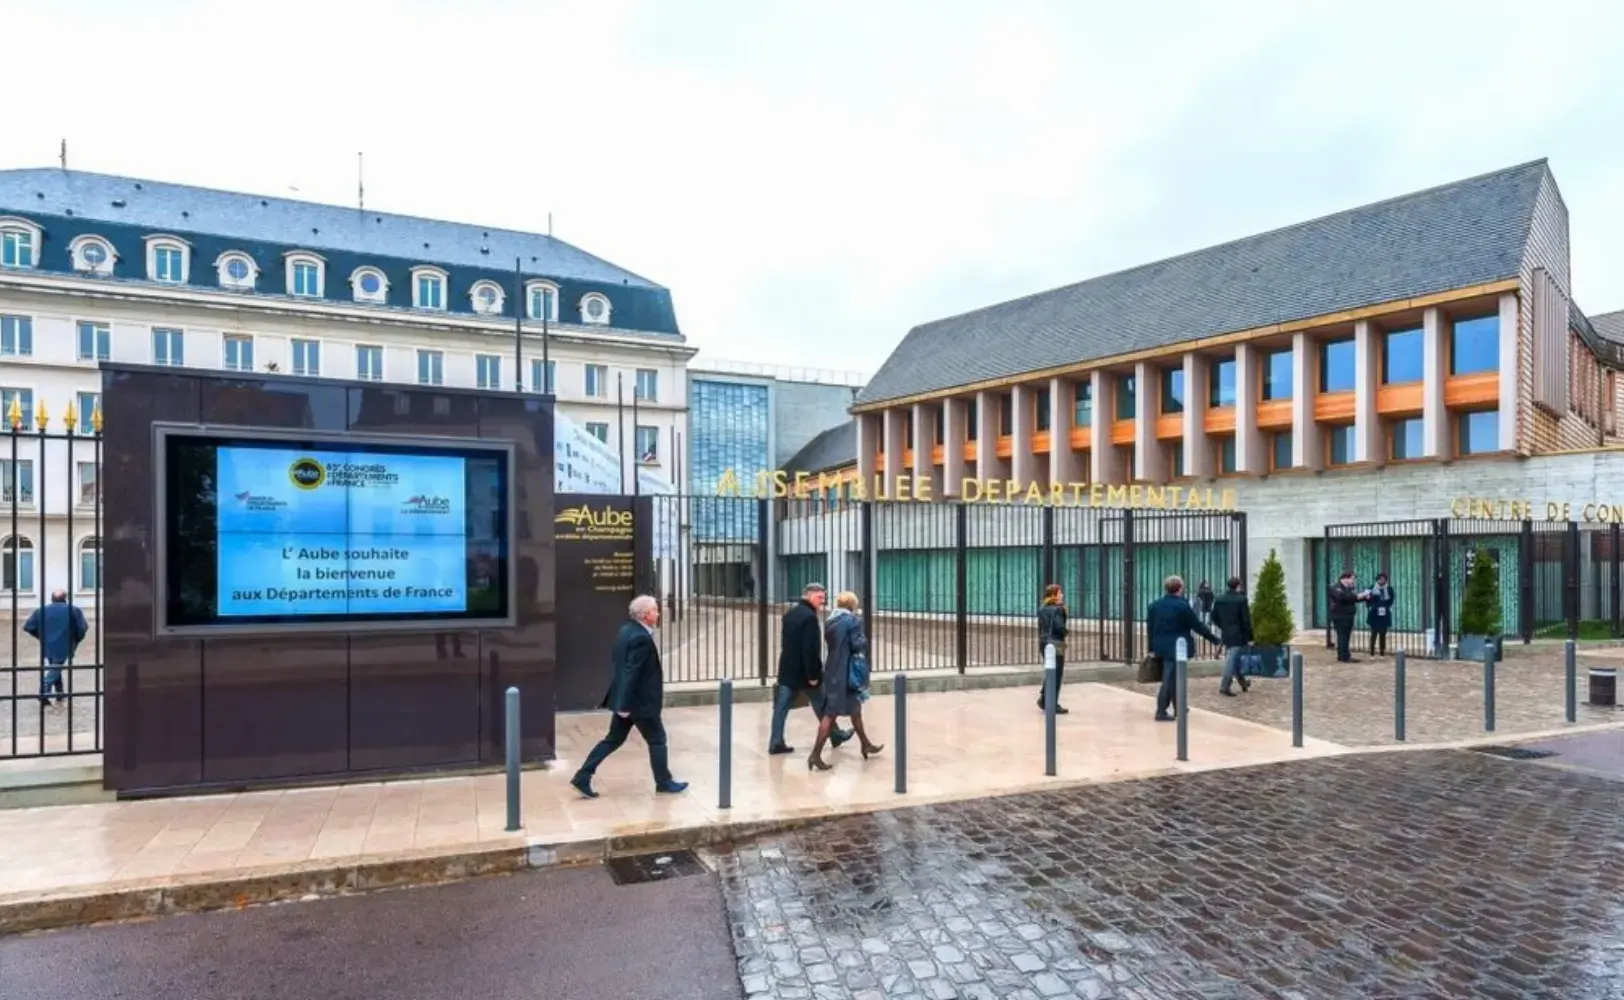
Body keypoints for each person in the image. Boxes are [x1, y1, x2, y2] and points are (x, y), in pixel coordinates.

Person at [570, 595, 687, 798]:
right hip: (638, 703)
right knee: (658, 739)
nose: (658, 614)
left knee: (613, 739)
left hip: (627, 700)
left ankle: (582, 776)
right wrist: (624, 704)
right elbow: (632, 672)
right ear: (645, 615)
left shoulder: (626, 631)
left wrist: (621, 702)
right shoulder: (641, 638)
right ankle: (664, 782)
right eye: (655, 610)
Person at [768, 583, 850, 755]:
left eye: (823, 598)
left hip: (787, 669)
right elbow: (810, 648)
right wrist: (813, 674)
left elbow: (788, 644)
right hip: (805, 673)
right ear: (809, 595)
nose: (822, 601)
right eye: (820, 597)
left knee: (781, 708)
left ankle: (776, 742)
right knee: (822, 704)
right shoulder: (809, 618)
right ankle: (835, 735)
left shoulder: (790, 614)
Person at [807, 592, 884, 771]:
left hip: (833, 669)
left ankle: (866, 744)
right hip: (847, 672)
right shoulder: (852, 621)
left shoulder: (830, 621)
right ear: (852, 605)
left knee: (855, 711)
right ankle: (815, 754)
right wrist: (863, 638)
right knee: (830, 714)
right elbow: (858, 644)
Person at [1146, 575, 1221, 721]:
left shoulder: (1154, 605)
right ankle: (1161, 710)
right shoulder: (1182, 605)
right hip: (1177, 647)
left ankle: (1179, 706)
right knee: (1169, 679)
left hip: (1160, 646)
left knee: (1173, 677)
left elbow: (1150, 628)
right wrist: (1214, 639)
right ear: (1180, 589)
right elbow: (1197, 625)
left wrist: (1151, 647)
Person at [24, 590, 87, 710]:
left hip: (48, 644)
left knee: (55, 666)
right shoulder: (73, 610)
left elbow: (29, 627)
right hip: (64, 643)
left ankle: (60, 694)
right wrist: (75, 639)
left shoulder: (41, 610)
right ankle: (44, 692)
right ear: (65, 598)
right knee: (55, 668)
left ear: (52, 598)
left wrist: (41, 636)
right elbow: (82, 628)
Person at [1208, 576, 1253, 697]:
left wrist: (1224, 626)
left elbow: (1214, 617)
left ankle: (1243, 682)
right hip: (1238, 634)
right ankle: (1225, 685)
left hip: (1226, 632)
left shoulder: (1219, 599)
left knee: (1235, 658)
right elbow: (1245, 619)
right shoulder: (1241, 599)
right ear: (1238, 586)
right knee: (1232, 659)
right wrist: (1250, 636)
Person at [1036, 584, 1069, 713]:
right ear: (1054, 595)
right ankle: (1052, 704)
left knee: (1051, 671)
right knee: (1057, 673)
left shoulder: (1042, 608)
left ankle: (1044, 699)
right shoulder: (1058, 610)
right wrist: (1066, 632)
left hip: (1044, 642)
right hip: (1056, 642)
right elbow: (1059, 627)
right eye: (1059, 593)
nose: (1062, 595)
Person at [1328, 570, 1364, 663]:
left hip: (1348, 615)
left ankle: (1342, 655)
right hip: (1340, 616)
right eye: (1352, 579)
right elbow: (1343, 598)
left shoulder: (1347, 588)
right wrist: (1357, 596)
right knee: (1343, 636)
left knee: (1345, 636)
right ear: (1345, 579)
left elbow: (1351, 599)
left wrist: (1363, 597)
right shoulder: (1336, 587)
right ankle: (1345, 656)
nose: (1353, 581)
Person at [1365, 572, 1395, 656]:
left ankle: (1382, 651)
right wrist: (1370, 606)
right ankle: (1372, 651)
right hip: (1374, 612)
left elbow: (1391, 599)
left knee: (1383, 633)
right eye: (1380, 579)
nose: (1381, 580)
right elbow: (1366, 599)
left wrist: (1387, 607)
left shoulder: (1389, 588)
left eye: (1383, 579)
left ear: (1386, 580)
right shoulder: (1371, 587)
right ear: (1377, 579)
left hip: (1384, 613)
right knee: (1373, 632)